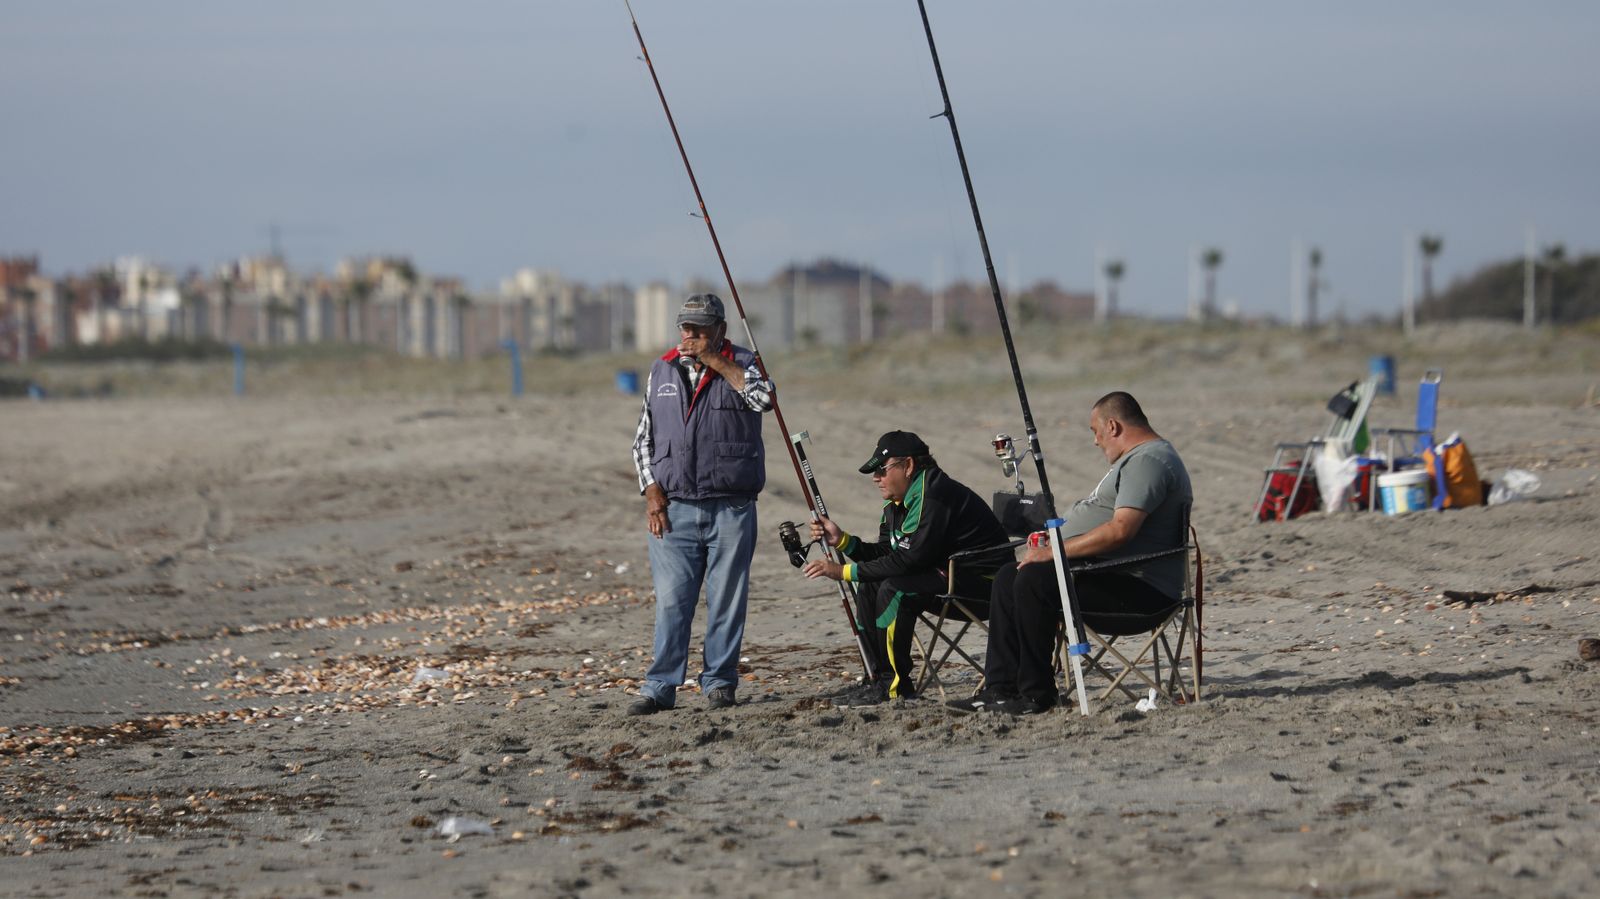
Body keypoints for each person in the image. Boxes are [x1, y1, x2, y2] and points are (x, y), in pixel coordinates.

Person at [950, 391, 1193, 716]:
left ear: (1113, 426)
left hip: (1140, 590)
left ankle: (1037, 695)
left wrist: (1054, 551)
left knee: (1034, 580)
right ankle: (1000, 689)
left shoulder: (1149, 461)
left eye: (1095, 431)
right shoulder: (1137, 460)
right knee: (1009, 576)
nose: (1095, 442)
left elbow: (1121, 530)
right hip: (1108, 573)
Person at [628, 293, 774, 716]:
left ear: (720, 330)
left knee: (727, 599)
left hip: (733, 507)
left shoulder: (745, 363)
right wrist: (651, 491)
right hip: (675, 509)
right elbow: (643, 441)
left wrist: (719, 362)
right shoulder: (662, 368)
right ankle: (660, 686)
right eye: (685, 329)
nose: (690, 337)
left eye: (700, 329)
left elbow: (765, 400)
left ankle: (720, 683)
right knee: (673, 601)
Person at [802, 431, 1011, 705]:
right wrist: (843, 541)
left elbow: (909, 560)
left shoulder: (933, 493)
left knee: (895, 589)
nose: (876, 478)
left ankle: (895, 686)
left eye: (882, 470)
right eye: (874, 472)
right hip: (945, 575)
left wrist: (841, 572)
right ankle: (877, 679)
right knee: (868, 585)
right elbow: (889, 554)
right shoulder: (897, 502)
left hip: (987, 586)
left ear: (908, 466)